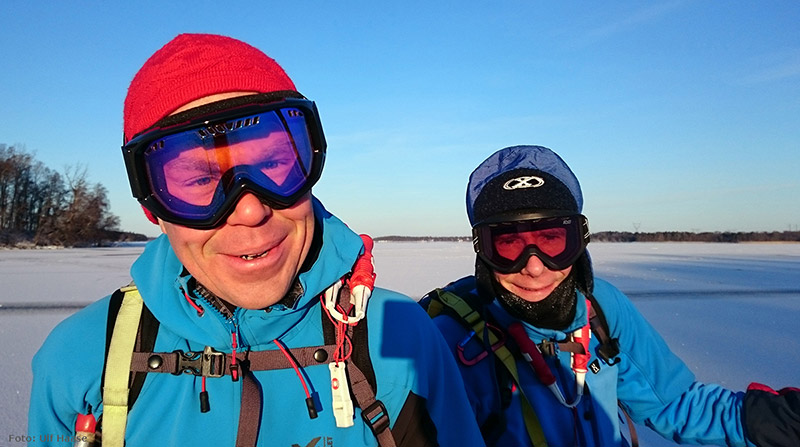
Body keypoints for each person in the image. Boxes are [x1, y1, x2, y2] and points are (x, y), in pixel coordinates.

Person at [28, 33, 485, 447]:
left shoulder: (395, 334)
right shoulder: (85, 355)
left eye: (273, 165)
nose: (249, 209)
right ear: (155, 207)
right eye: (199, 180)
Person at [423, 144, 800, 446]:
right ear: (483, 252)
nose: (534, 266)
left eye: (552, 240)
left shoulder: (600, 308)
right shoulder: (448, 340)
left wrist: (775, 420)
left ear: (578, 241)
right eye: (509, 243)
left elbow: (674, 402)